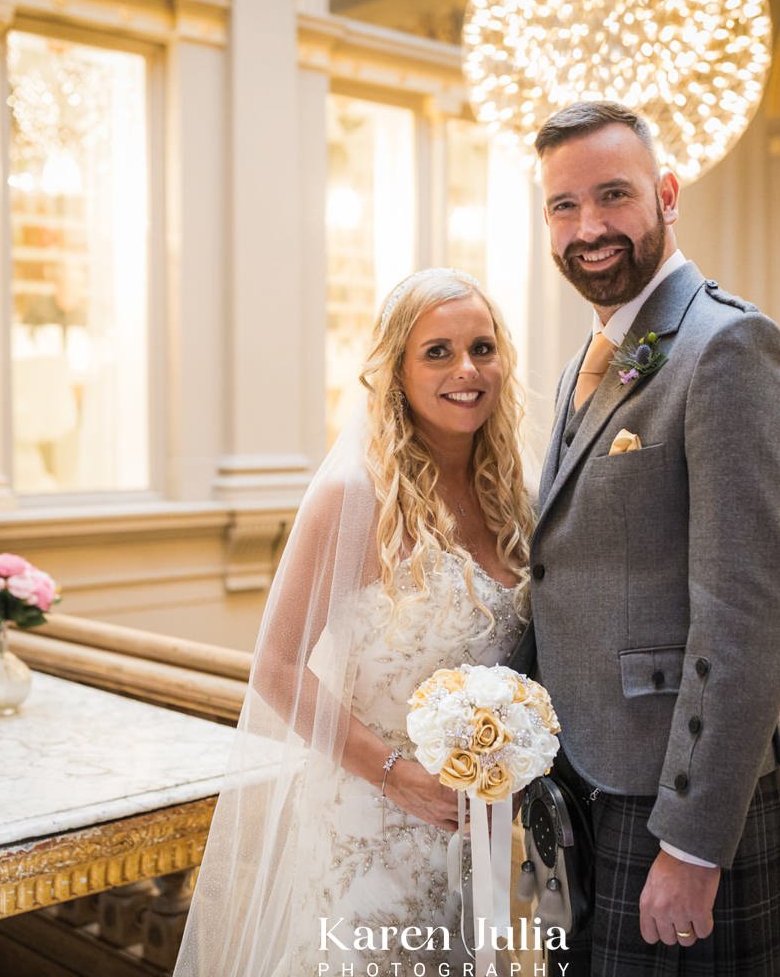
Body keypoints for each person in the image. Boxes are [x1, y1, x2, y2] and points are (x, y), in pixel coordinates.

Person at [508, 101, 780, 975]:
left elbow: (751, 616)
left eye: (613, 196)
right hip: (580, 780)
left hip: (673, 799)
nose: (588, 227)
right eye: (564, 207)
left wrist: (693, 844)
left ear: (667, 194)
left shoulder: (730, 348)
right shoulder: (588, 357)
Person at [174, 268, 535, 975]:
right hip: (373, 828)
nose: (467, 370)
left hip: (480, 835)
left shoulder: (515, 499)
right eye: (438, 352)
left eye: (482, 348)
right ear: (396, 371)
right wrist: (397, 775)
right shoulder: (353, 496)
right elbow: (276, 669)